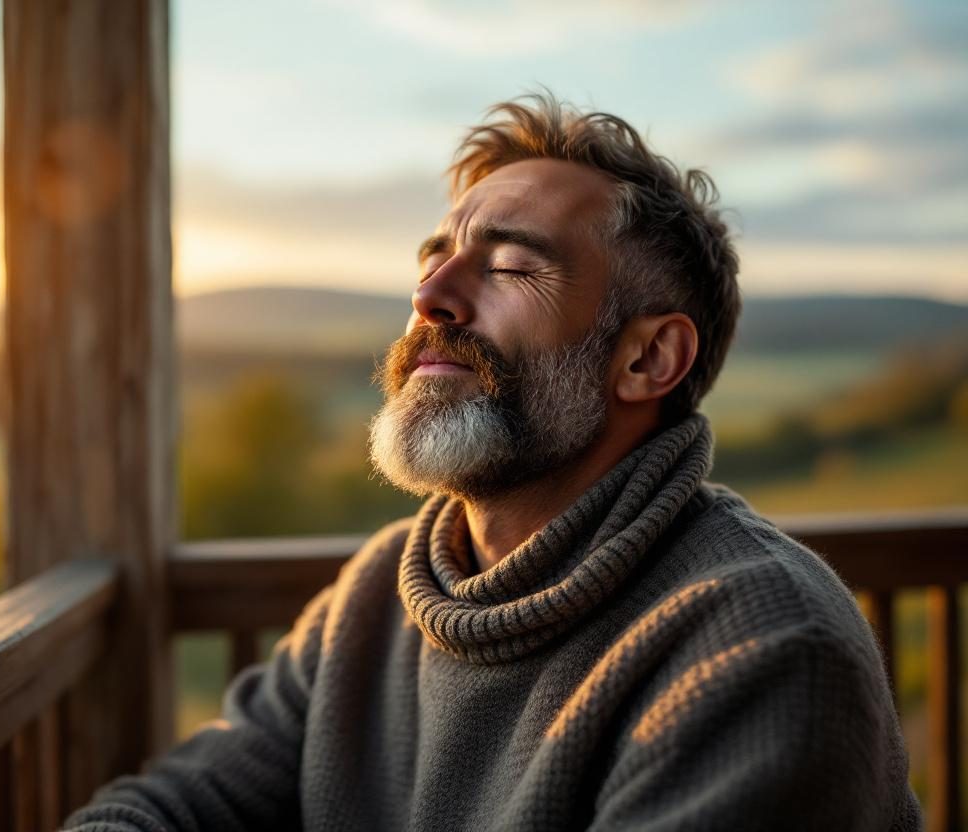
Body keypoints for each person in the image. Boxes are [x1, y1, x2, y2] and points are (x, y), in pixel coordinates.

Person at [62, 91, 921, 831]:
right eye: (436, 260)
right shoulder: (375, 597)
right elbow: (177, 806)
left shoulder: (762, 650)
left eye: (510, 264)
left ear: (648, 361)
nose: (430, 296)